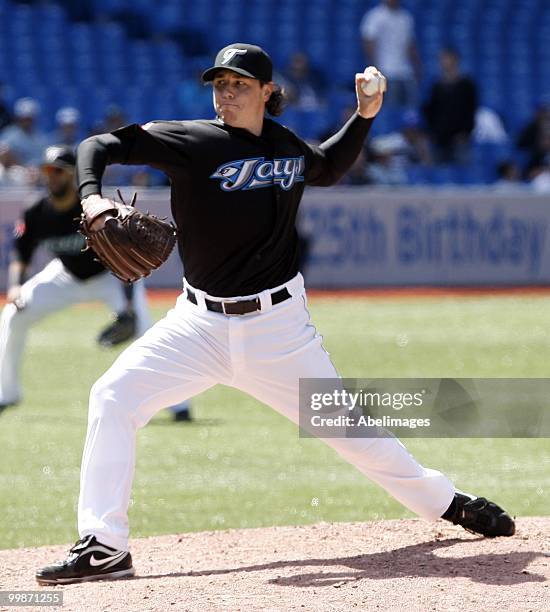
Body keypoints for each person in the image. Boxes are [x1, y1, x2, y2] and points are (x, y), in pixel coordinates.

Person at [36, 43, 514, 585]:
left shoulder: (285, 146)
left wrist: (364, 115)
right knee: (112, 396)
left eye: (239, 84)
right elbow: (98, 144)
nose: (226, 93)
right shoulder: (192, 140)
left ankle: (446, 502)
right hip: (197, 326)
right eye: (220, 84)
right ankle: (104, 545)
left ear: (268, 91)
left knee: (350, 431)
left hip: (279, 330)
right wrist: (93, 198)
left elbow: (328, 168)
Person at [0, 145, 152, 412]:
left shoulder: (94, 208)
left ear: (73, 175)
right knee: (13, 314)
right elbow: (20, 255)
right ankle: (7, 394)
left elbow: (125, 256)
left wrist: (128, 307)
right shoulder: (37, 211)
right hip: (66, 276)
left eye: (58, 171)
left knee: (145, 330)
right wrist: (15, 287)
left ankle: (178, 407)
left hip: (111, 276)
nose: (52, 176)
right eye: (48, 170)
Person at [360, 0, 420, 108]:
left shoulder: (406, 18)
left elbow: (410, 45)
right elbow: (369, 43)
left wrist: (417, 66)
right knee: (391, 109)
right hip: (386, 72)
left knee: (411, 109)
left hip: (406, 72)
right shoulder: (375, 16)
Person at [422, 48, 478, 164]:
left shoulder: (466, 85)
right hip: (440, 137)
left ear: (455, 60)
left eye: (447, 59)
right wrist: (432, 131)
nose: (444, 62)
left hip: (460, 138)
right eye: (442, 59)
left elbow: (471, 109)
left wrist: (466, 131)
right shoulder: (437, 86)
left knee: (462, 170)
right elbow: (431, 109)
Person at [0, 97, 48, 167]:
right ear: (17, 117)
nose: (26, 122)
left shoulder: (41, 137)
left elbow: (44, 160)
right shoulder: (8, 135)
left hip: (36, 173)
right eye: (23, 118)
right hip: (13, 173)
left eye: (29, 119)